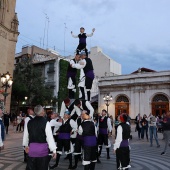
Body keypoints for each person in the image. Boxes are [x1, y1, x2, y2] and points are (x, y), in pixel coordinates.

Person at [23, 105, 56, 170]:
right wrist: (54, 150)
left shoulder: (29, 122)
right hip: (42, 151)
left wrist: (26, 146)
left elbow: (26, 135)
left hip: (32, 150)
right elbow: (49, 138)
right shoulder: (46, 122)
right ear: (42, 112)